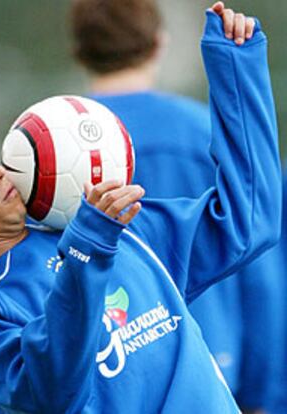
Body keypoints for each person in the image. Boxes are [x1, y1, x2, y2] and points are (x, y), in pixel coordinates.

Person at [0, 3, 281, 413]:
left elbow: (250, 223)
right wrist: (88, 252)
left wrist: (237, 72)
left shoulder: (115, 232)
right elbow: (55, 390)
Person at [70, 0, 283, 412]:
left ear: (79, 51)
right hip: (213, 368)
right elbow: (259, 268)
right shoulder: (207, 130)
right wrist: (267, 393)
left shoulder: (49, 148)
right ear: (158, 44)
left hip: (106, 377)